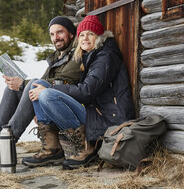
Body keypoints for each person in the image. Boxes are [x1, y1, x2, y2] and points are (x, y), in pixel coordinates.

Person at [0, 16, 82, 167]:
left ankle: (5, 144)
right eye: (52, 34)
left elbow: (65, 83)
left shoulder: (77, 54)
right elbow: (44, 82)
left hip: (66, 108)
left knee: (31, 84)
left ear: (71, 33)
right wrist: (20, 85)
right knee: (12, 89)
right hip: (51, 101)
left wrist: (24, 84)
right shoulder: (59, 56)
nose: (55, 38)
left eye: (60, 32)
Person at [21, 15, 135, 169]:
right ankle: (51, 149)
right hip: (96, 114)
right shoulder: (92, 56)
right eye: (82, 34)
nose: (85, 38)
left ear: (99, 37)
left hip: (110, 120)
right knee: (38, 85)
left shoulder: (106, 58)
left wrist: (51, 89)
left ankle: (86, 148)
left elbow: (87, 91)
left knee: (47, 93)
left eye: (90, 34)